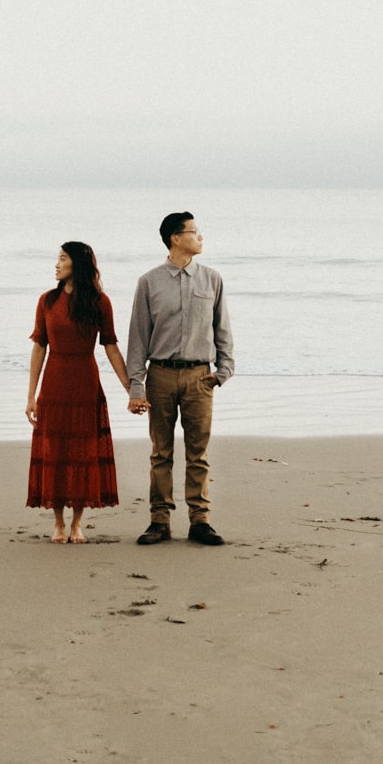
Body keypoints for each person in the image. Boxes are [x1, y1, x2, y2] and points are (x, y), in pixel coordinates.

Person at [125, 212, 234, 546]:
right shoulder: (149, 282)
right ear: (175, 238)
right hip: (160, 376)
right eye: (194, 232)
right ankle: (159, 521)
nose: (200, 237)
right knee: (161, 453)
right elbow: (138, 338)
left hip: (200, 377)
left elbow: (222, 328)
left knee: (197, 454)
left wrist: (223, 372)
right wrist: (136, 385)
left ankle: (200, 521)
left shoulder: (212, 279)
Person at [25, 241, 130, 544]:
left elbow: (110, 345)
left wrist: (130, 388)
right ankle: (58, 523)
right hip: (54, 382)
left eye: (62, 259)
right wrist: (31, 396)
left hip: (85, 380)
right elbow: (39, 347)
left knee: (83, 452)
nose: (56, 265)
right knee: (54, 450)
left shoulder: (99, 301)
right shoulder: (47, 301)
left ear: (78, 264)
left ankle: (77, 523)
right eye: (57, 259)